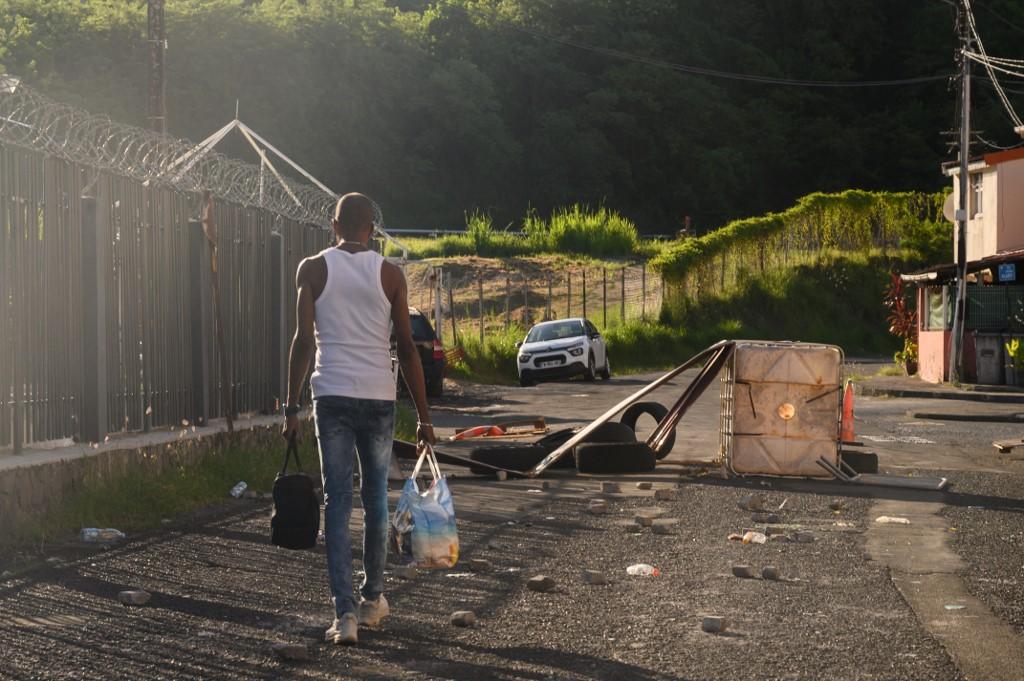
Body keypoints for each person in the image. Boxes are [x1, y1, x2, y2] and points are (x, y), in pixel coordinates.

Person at [282, 193, 436, 646]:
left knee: (337, 501)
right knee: (376, 501)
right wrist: (425, 418)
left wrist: (290, 407)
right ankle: (373, 599)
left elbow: (302, 341)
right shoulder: (390, 274)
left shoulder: (311, 269)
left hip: (330, 393)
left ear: (334, 226)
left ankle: (344, 614)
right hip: (377, 396)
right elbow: (407, 348)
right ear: (372, 228)